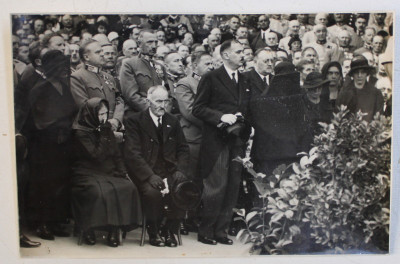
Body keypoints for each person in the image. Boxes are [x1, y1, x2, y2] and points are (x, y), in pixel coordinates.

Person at [193, 39, 251, 245]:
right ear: (226, 55)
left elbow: (247, 109)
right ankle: (206, 231)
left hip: (236, 141)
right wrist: (220, 117)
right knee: (216, 187)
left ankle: (221, 231)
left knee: (233, 187)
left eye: (243, 51)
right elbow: (197, 108)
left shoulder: (244, 80)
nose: (243, 55)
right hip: (217, 142)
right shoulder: (211, 77)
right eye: (238, 51)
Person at [124, 85, 190, 247]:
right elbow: (133, 154)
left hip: (169, 171)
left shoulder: (172, 121)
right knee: (152, 193)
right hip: (146, 172)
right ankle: (153, 231)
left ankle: (169, 230)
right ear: (148, 101)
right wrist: (149, 175)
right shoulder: (135, 121)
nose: (162, 105)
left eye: (165, 101)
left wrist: (180, 170)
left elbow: (183, 149)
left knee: (183, 189)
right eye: (158, 101)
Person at [70, 98, 142, 247]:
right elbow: (96, 156)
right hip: (86, 172)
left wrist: (122, 172)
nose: (104, 118)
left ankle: (114, 228)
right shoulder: (80, 132)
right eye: (100, 114)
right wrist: (104, 133)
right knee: (99, 192)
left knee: (128, 187)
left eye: (105, 114)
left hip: (107, 171)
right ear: (91, 114)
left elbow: (116, 154)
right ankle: (88, 227)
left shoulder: (105, 127)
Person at [27, 50, 77, 240]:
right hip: (45, 145)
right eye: (60, 66)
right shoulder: (40, 89)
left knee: (60, 182)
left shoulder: (63, 86)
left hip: (63, 142)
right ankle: (43, 223)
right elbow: (40, 120)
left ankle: (55, 221)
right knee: (45, 183)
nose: (65, 69)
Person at [70, 40, 125, 142]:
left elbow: (119, 100)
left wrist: (116, 120)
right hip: (93, 134)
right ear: (86, 57)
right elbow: (84, 106)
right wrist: (107, 124)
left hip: (114, 128)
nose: (102, 54)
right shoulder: (77, 77)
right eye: (98, 52)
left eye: (101, 51)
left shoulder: (108, 77)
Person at [119, 30, 162, 113]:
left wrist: (164, 110)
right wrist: (152, 111)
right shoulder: (129, 65)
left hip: (161, 112)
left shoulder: (160, 66)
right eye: (150, 42)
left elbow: (168, 93)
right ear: (139, 44)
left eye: (156, 42)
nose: (154, 46)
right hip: (139, 114)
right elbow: (131, 96)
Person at [336, 56, 384, 122]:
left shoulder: (376, 93)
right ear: (352, 74)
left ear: (367, 73)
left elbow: (378, 116)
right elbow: (339, 115)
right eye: (356, 72)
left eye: (363, 72)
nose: (359, 75)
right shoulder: (345, 92)